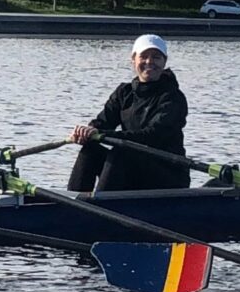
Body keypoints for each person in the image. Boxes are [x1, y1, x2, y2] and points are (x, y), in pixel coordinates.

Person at [66, 33, 190, 193]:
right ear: (133, 60)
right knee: (90, 149)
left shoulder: (173, 98)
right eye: (144, 56)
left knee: (121, 152)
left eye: (156, 57)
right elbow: (102, 122)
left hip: (167, 174)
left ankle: (101, 207)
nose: (149, 62)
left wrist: (101, 133)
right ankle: (74, 202)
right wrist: (86, 132)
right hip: (135, 167)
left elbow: (151, 136)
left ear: (164, 62)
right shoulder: (124, 92)